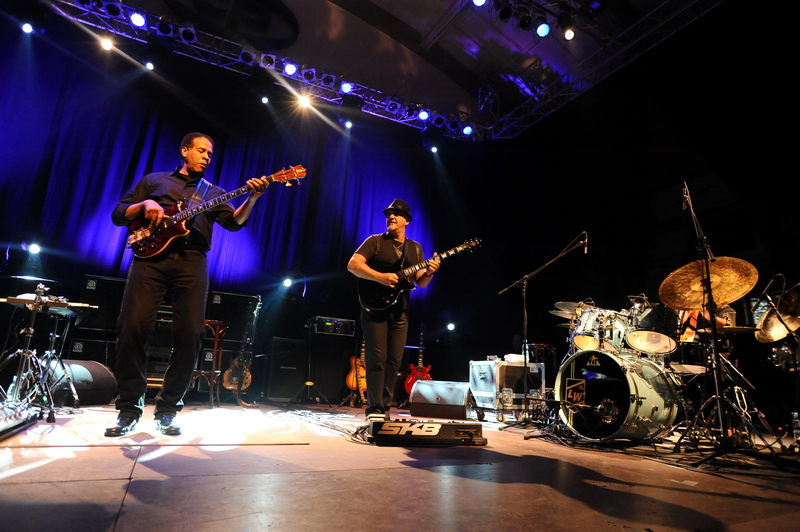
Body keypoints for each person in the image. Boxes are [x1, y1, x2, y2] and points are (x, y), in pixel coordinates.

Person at [105, 132, 271, 437]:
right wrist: (145, 204)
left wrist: (253, 196)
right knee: (132, 328)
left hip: (192, 262)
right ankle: (128, 409)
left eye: (210, 153)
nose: (207, 156)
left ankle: (167, 410)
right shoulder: (154, 181)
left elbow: (234, 223)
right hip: (149, 260)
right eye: (202, 151)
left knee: (191, 334)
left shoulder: (213, 192)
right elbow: (119, 214)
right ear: (185, 151)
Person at [347, 199, 439, 421]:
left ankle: (385, 409)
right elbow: (353, 265)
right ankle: (375, 410)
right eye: (389, 213)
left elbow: (421, 283)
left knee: (394, 361)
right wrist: (380, 277)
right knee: (376, 358)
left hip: (401, 312)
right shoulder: (375, 242)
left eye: (397, 214)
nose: (391, 216)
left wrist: (430, 271)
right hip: (374, 308)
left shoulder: (415, 248)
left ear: (406, 220)